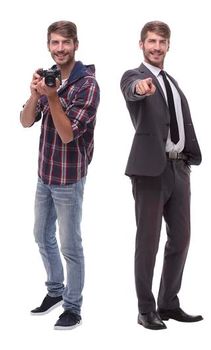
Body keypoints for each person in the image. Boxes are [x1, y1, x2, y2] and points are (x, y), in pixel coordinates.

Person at [120, 20, 203, 330]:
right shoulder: (135, 76)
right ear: (142, 44)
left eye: (162, 42)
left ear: (169, 46)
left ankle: (168, 302)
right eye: (151, 41)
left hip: (180, 167)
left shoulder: (172, 82)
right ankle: (146, 309)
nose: (156, 47)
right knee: (148, 241)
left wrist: (188, 158)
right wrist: (139, 89)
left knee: (181, 237)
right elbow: (131, 90)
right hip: (149, 171)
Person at [21, 20, 99, 331]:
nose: (60, 49)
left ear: (76, 45)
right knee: (42, 235)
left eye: (65, 43)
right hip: (45, 174)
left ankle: (73, 305)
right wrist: (34, 94)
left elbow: (67, 135)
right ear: (49, 46)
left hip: (69, 179)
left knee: (70, 245)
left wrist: (52, 97)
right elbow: (26, 121)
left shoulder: (87, 84)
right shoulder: (47, 77)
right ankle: (55, 290)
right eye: (55, 43)